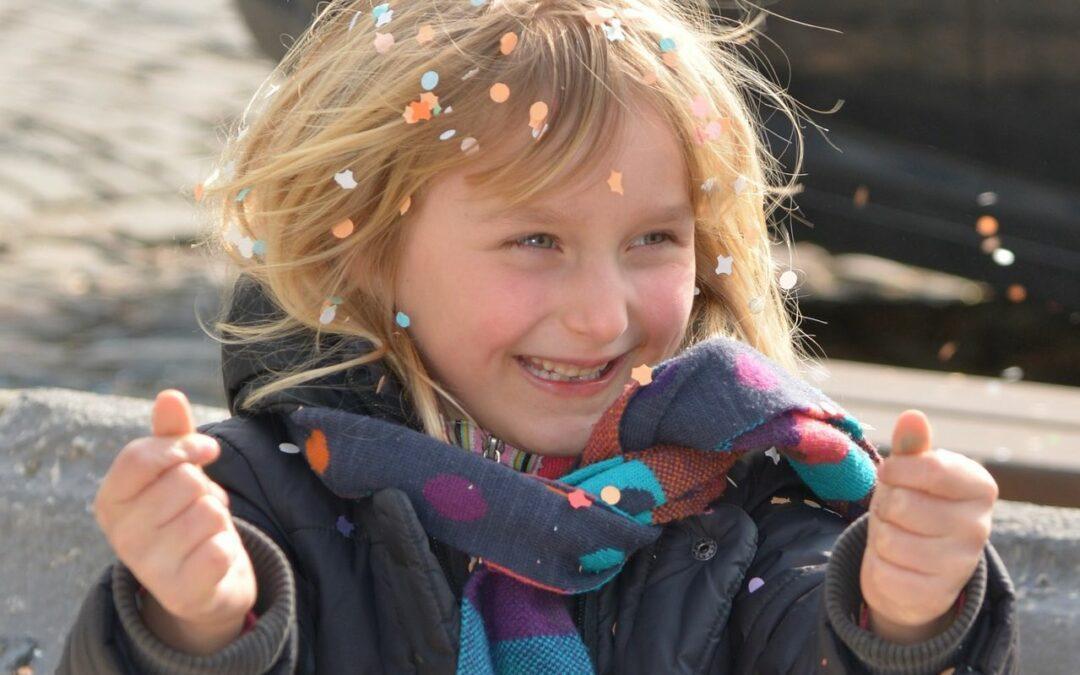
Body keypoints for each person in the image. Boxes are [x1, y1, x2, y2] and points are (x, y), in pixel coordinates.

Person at [58, 0, 1019, 672]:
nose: (603, 315)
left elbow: (815, 634)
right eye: (535, 240)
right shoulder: (266, 505)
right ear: (367, 254)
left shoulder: (760, 485)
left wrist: (901, 611)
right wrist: (198, 624)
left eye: (653, 238)